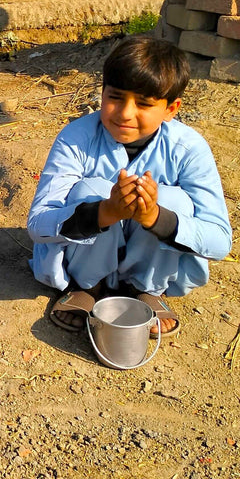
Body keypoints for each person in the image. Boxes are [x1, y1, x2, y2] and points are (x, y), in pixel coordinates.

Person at [27, 35, 232, 336]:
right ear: (102, 92)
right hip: (83, 266)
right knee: (91, 192)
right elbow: (37, 224)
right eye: (115, 97)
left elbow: (220, 242)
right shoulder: (76, 138)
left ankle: (146, 288)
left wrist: (155, 217)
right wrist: (104, 212)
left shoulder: (189, 148)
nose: (125, 113)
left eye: (144, 104)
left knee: (174, 201)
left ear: (171, 109)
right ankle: (88, 285)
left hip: (154, 264)